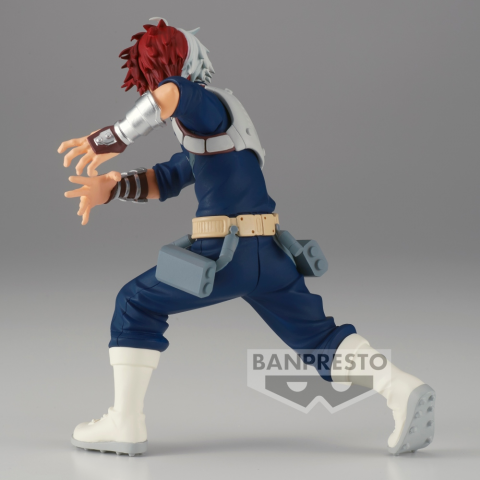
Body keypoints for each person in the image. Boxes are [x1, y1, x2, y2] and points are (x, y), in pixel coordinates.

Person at [59, 18, 435, 457]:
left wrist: (112, 138)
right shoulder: (214, 122)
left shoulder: (200, 103)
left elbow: (174, 93)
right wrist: (114, 187)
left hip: (224, 255)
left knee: (135, 304)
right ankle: (400, 388)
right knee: (318, 339)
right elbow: (171, 176)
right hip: (271, 254)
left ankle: (124, 423)